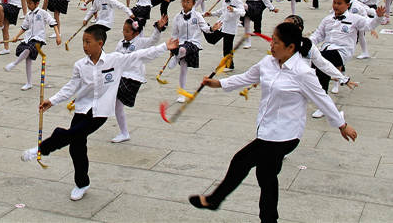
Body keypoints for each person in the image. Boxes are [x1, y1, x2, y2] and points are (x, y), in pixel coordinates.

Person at [189, 21, 358, 222]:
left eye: (276, 42)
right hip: (266, 129)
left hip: (286, 134)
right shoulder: (267, 63)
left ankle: (214, 200)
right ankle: (269, 220)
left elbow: (322, 99)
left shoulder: (302, 73)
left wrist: (342, 124)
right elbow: (245, 78)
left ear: (290, 47)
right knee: (266, 177)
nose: (271, 45)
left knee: (241, 160)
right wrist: (217, 83)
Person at [20, 24, 178, 201]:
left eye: (88, 42)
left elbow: (140, 55)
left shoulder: (115, 60)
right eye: (83, 42)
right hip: (82, 109)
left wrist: (165, 47)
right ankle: (82, 183)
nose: (84, 46)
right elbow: (71, 86)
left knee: (70, 134)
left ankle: (41, 149)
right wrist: (53, 100)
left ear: (100, 43)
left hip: (100, 112)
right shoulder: (80, 65)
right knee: (76, 148)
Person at [111, 15, 166, 143]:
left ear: (136, 33)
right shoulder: (120, 43)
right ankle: (124, 133)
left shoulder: (140, 42)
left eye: (127, 31)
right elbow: (115, 58)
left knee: (114, 96)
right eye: (123, 30)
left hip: (133, 77)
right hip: (121, 76)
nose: (124, 33)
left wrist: (158, 29)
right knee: (117, 105)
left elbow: (153, 40)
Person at [3, 0, 61, 90]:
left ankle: (14, 64)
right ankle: (29, 83)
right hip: (28, 38)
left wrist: (58, 36)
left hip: (39, 39)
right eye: (27, 3)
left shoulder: (43, 13)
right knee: (28, 60)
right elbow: (24, 27)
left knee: (28, 50)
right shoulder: (28, 15)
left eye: (30, 3)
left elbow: (53, 23)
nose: (28, 6)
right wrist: (16, 36)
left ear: (37, 3)